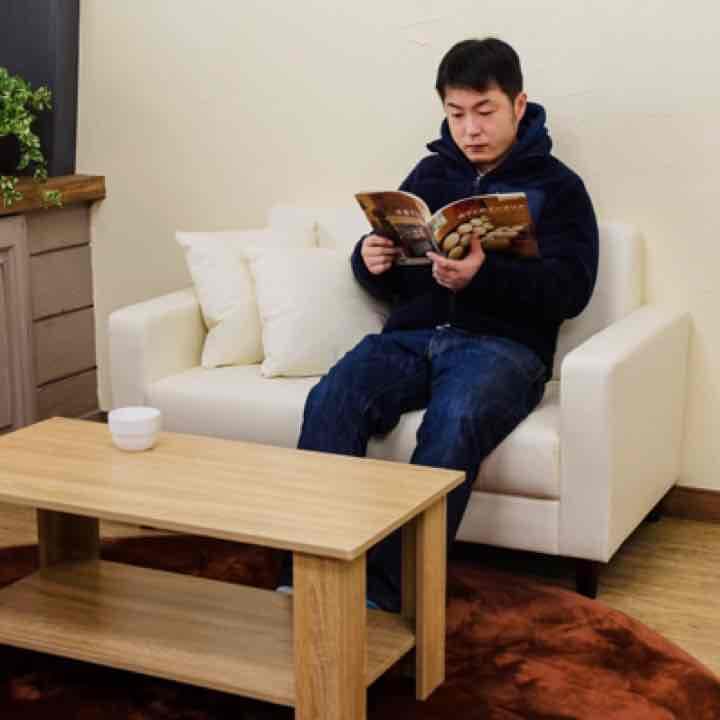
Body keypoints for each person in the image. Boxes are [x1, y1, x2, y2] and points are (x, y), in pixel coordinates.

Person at [278, 37, 599, 612]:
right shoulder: (429, 174)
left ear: (518, 105)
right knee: (332, 397)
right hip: (412, 338)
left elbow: (571, 291)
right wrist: (369, 260)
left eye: (484, 111)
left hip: (504, 350)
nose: (470, 129)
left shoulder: (560, 187)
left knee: (456, 421)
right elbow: (396, 275)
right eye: (456, 114)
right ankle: (307, 574)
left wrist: (482, 278)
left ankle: (388, 596)